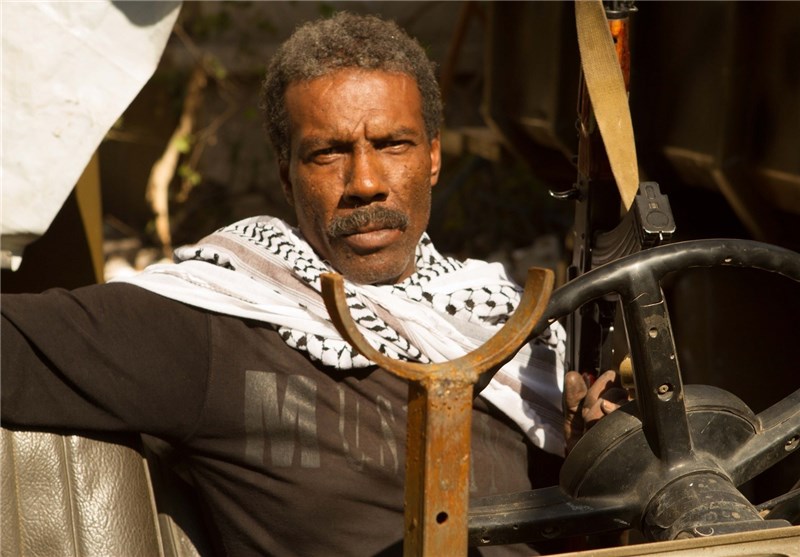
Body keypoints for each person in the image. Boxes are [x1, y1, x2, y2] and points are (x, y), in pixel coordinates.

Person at [1, 11, 622, 556]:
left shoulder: (512, 331)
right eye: (327, 153)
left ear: (433, 157)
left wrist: (589, 453)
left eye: (393, 145)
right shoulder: (218, 317)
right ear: (286, 174)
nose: (366, 183)